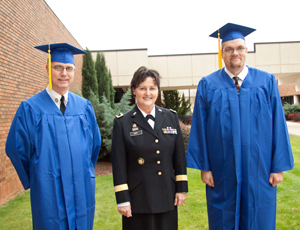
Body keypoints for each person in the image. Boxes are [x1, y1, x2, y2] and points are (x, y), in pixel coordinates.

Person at [186, 23, 294, 230]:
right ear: (222, 52)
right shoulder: (208, 84)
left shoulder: (266, 81)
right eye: (229, 49)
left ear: (246, 50)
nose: (235, 53)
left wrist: (277, 166)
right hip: (221, 168)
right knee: (223, 216)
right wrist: (205, 167)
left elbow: (278, 124)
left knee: (258, 215)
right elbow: (200, 127)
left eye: (239, 48)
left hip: (260, 167)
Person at [6, 43, 101, 230]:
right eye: (58, 67)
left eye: (68, 68)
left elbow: (94, 145)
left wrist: (85, 170)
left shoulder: (84, 107)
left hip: (81, 187)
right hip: (48, 189)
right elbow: (17, 149)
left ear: (73, 71)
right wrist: (36, 176)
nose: (64, 73)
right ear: (48, 69)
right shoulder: (30, 108)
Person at [111, 66, 188, 230]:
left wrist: (181, 189)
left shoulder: (171, 117)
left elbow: (179, 157)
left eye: (152, 88)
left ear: (158, 90)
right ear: (134, 91)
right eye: (142, 88)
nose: (148, 93)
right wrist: (123, 199)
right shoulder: (122, 123)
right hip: (138, 199)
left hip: (167, 195)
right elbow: (119, 165)